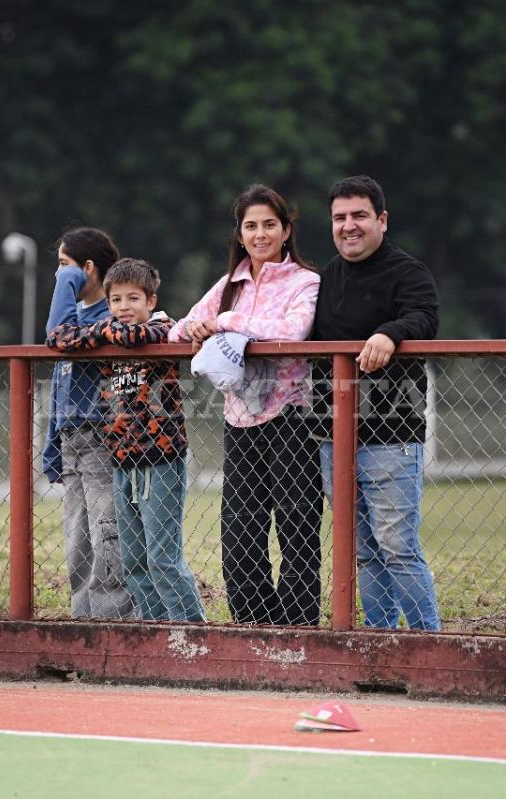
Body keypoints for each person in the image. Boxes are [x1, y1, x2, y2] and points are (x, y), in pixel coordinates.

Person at [170, 185, 323, 626]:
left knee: (297, 528)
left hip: (291, 417)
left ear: (286, 229)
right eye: (250, 226)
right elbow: (182, 329)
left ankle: (297, 632)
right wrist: (196, 328)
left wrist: (225, 322)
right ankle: (255, 627)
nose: (260, 234)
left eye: (269, 225)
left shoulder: (305, 282)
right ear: (239, 234)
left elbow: (293, 331)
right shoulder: (228, 286)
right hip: (239, 420)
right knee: (240, 532)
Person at [310, 175, 442, 631]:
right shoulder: (326, 276)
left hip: (391, 437)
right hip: (331, 434)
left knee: (397, 546)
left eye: (359, 215)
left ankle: (428, 642)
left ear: (382, 220)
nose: (349, 225)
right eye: (339, 217)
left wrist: (390, 333)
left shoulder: (408, 272)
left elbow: (424, 317)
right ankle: (379, 640)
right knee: (363, 550)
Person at [47, 258, 206, 622]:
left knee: (161, 556)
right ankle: (156, 629)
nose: (123, 308)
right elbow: (58, 337)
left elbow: (136, 336)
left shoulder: (163, 328)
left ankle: (192, 632)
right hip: (121, 459)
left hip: (161, 458)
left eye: (133, 299)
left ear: (150, 301)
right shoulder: (110, 329)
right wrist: (102, 331)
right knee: (133, 561)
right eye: (115, 300)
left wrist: (103, 331)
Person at [42, 227, 135, 619]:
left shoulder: (107, 317)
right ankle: (84, 617)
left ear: (88, 269)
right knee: (76, 539)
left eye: (64, 268)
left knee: (106, 532)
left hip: (99, 437)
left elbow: (56, 336)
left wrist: (67, 280)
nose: (60, 277)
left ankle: (115, 619)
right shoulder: (77, 317)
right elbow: (59, 387)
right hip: (71, 439)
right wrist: (51, 444)